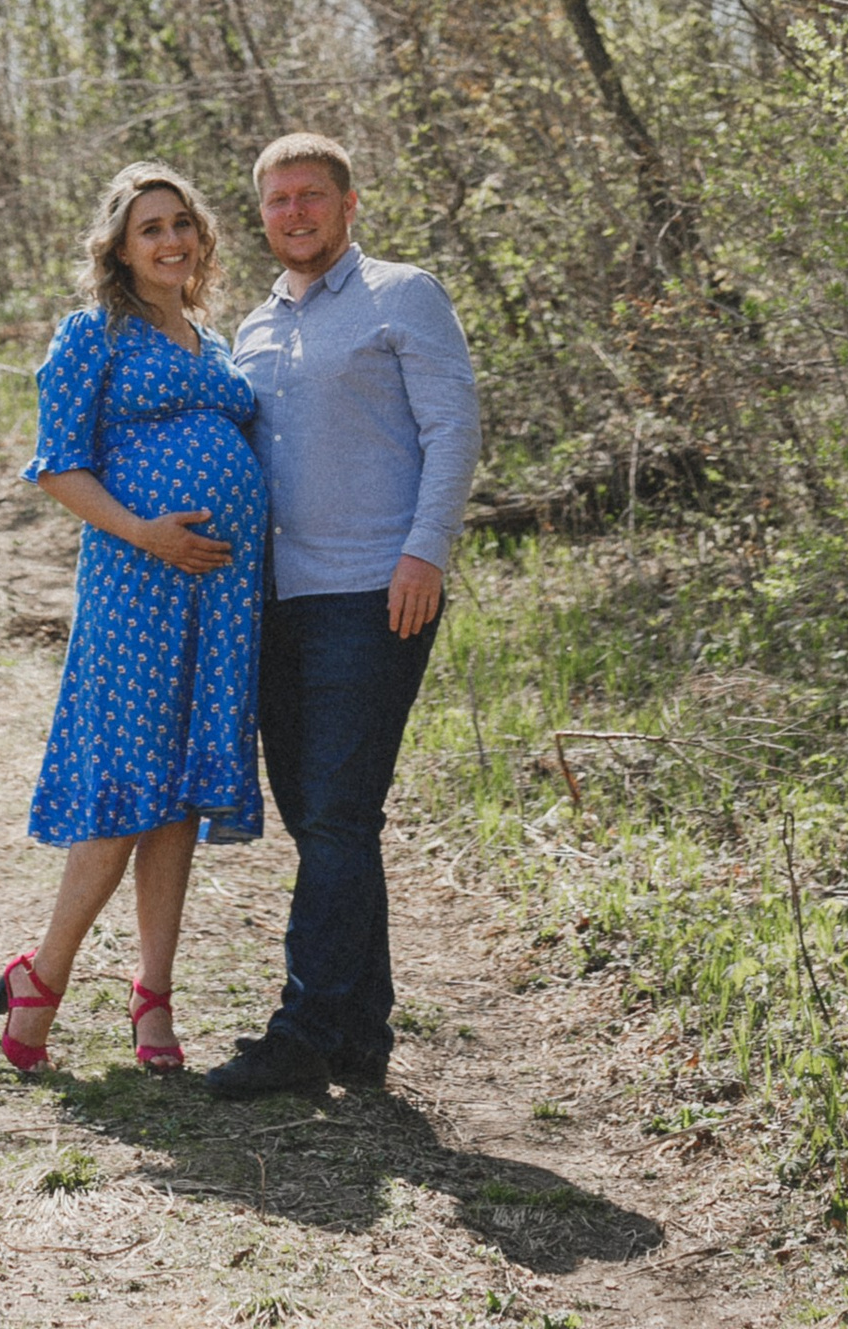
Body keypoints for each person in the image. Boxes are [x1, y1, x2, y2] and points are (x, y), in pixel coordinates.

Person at [205, 130, 481, 1097]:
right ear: (262, 213)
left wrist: (425, 551)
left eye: (311, 194)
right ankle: (361, 1029)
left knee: (334, 811)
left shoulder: (403, 294)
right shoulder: (252, 327)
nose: (295, 212)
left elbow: (453, 426)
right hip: (277, 599)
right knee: (325, 818)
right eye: (278, 198)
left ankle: (305, 1030)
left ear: (348, 203)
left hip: (375, 589)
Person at [0, 163, 267, 1076]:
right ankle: (44, 974)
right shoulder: (92, 334)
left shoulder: (213, 342)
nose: (170, 239)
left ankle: (155, 996)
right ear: (120, 246)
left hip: (219, 598)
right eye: (151, 227)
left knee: (179, 792)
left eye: (182, 223)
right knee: (125, 783)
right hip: (137, 583)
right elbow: (58, 465)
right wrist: (147, 532)